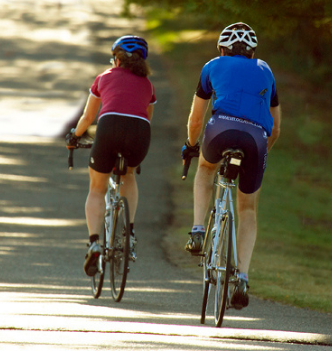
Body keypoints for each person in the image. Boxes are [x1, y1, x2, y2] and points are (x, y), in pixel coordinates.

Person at [181, 22, 282, 309]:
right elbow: (274, 129)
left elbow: (197, 120)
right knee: (247, 208)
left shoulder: (212, 65)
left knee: (205, 169)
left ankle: (198, 230)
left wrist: (191, 144)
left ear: (222, 49)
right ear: (252, 52)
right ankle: (243, 277)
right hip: (256, 138)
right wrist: (262, 153)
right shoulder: (266, 70)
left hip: (219, 130)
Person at [66, 35, 156, 277]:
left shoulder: (104, 77)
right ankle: (130, 232)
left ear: (116, 59)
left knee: (97, 188)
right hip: (139, 132)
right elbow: (146, 117)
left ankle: (94, 242)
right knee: (129, 175)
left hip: (109, 128)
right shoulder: (147, 84)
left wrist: (75, 136)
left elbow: (87, 118)